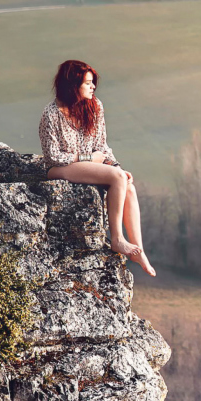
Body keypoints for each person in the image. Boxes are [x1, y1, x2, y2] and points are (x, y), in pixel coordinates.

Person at [39, 60, 156, 277]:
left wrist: (115, 166)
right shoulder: (51, 114)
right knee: (118, 178)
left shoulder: (95, 106)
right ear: (73, 85)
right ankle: (117, 239)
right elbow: (53, 156)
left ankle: (139, 250)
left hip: (88, 165)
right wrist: (87, 158)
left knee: (128, 185)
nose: (93, 87)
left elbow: (102, 146)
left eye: (93, 83)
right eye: (88, 83)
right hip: (59, 168)